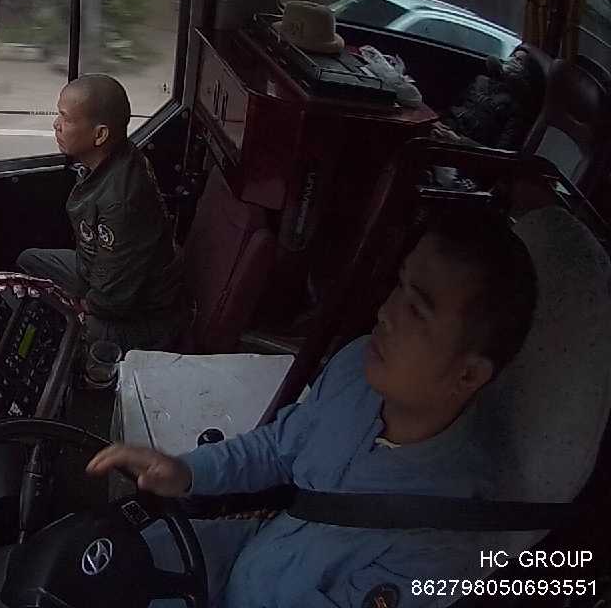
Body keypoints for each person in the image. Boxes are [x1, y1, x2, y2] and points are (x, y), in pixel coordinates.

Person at [87, 206, 538, 607]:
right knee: (98, 564)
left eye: (417, 310)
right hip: (240, 555)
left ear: (468, 375)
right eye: (399, 286)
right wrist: (187, 472)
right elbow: (279, 447)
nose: (386, 312)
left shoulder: (445, 542)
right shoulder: (357, 369)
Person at [16, 74, 184, 352]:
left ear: (100, 135)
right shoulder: (114, 157)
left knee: (56, 331)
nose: (56, 124)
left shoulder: (121, 202)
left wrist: (78, 309)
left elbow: (114, 300)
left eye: (66, 118)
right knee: (29, 261)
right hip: (96, 272)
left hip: (142, 316)